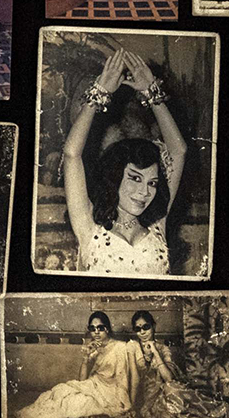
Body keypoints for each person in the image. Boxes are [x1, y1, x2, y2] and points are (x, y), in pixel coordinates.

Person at [61, 48, 188, 275]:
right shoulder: (88, 225)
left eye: (152, 183)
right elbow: (72, 154)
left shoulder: (157, 223)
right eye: (135, 178)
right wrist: (99, 93)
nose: (144, 192)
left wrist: (152, 92)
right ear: (115, 176)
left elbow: (178, 151)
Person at [129, 311, 229, 418]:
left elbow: (168, 378)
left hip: (165, 393)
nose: (142, 332)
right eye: (138, 329)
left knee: (172, 389)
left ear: (153, 326)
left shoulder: (162, 349)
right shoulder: (132, 348)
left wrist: (155, 351)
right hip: (148, 400)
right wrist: (133, 406)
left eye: (146, 327)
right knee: (174, 413)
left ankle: (219, 413)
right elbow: (134, 378)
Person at [16, 312, 139, 418]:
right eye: (92, 328)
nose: (96, 332)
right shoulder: (96, 349)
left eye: (100, 328)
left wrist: (131, 405)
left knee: (74, 402)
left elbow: (127, 379)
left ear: (107, 329)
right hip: (93, 387)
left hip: (110, 394)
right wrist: (85, 358)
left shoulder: (121, 347)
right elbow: (82, 381)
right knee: (60, 390)